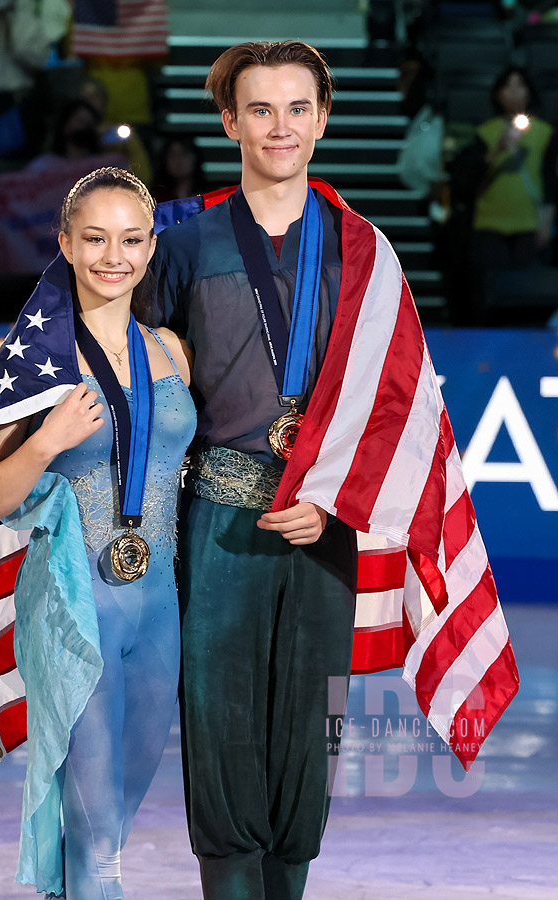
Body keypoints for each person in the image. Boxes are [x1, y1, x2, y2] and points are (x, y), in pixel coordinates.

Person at [150, 40, 520, 900]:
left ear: (323, 118)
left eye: (297, 108)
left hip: (324, 533)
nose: (280, 126)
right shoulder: (184, 242)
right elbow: (152, 391)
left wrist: (334, 501)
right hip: (219, 524)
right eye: (261, 109)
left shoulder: (366, 252)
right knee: (219, 726)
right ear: (230, 120)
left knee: (310, 732)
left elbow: (393, 402)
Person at [0, 167, 195, 899]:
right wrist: (44, 443)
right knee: (96, 835)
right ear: (65, 242)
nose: (112, 256)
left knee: (116, 815)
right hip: (72, 605)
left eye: (129, 239)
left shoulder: (171, 352)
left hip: (158, 607)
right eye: (93, 238)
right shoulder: (35, 366)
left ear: (151, 249)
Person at [469, 66, 557, 322]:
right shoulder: (485, 132)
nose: (515, 92)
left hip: (529, 225)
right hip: (490, 224)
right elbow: (472, 178)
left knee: (528, 294)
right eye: (508, 86)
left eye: (521, 85)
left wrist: (547, 221)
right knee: (490, 296)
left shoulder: (544, 133)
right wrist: (497, 150)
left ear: (530, 93)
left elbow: (550, 181)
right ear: (498, 94)